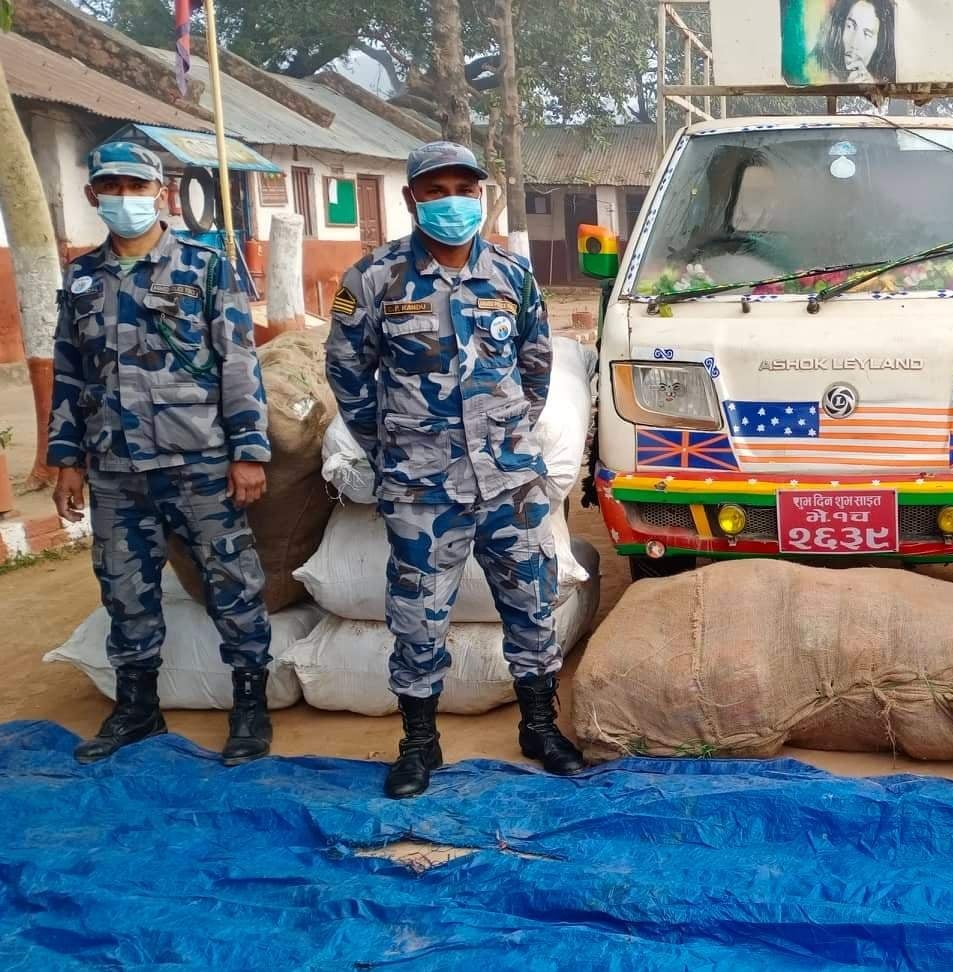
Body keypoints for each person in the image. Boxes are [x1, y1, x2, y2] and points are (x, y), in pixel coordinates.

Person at [326, 141, 584, 799]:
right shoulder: (375, 279)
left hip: (507, 481)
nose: (451, 203)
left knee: (530, 603)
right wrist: (393, 448)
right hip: (421, 486)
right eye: (435, 191)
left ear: (480, 196)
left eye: (462, 190)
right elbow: (348, 375)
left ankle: (539, 725)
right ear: (412, 200)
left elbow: (535, 364)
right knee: (416, 616)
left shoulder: (510, 276)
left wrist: (508, 435)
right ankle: (419, 743)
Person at [47, 141, 274, 765]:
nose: (125, 199)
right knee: (124, 589)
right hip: (114, 467)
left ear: (161, 193)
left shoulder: (204, 267)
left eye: (136, 186)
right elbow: (69, 370)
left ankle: (250, 707)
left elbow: (238, 362)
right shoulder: (82, 276)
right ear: (94, 196)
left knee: (231, 581)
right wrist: (65, 458)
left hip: (198, 459)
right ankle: (137, 708)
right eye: (112, 188)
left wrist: (248, 449)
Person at [813, 0, 895, 84]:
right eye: (850, 26)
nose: (854, 43)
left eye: (867, 34)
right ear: (840, 27)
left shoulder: (883, 82)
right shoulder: (816, 70)